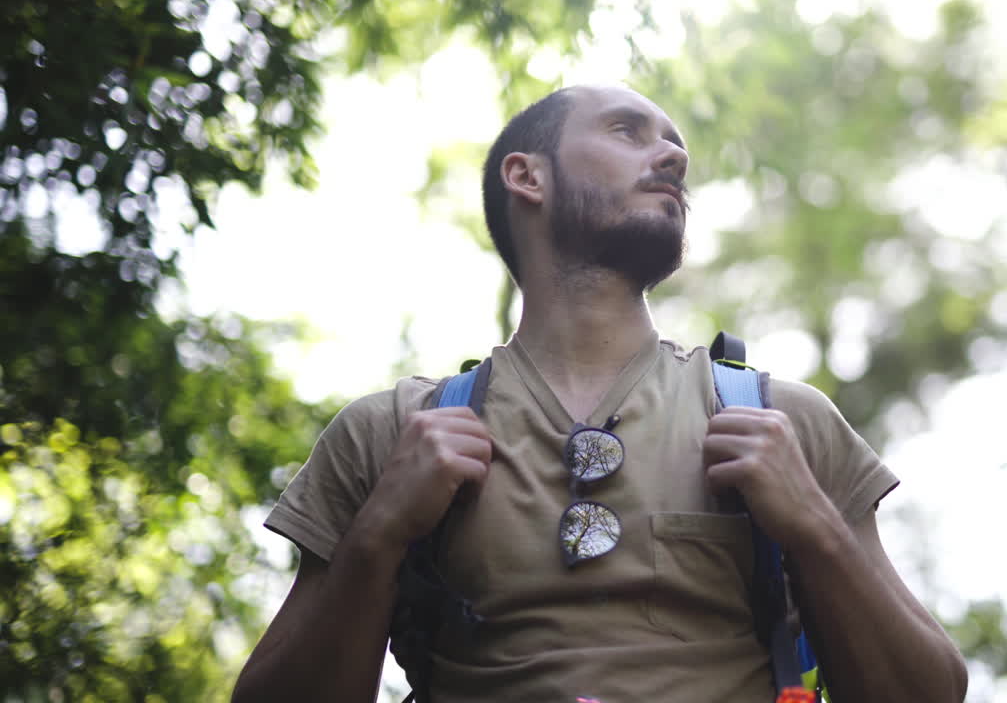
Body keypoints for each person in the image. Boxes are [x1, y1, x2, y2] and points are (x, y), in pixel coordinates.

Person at [230, 85, 968, 703]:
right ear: (528, 176)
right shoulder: (390, 433)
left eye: (675, 143)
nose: (675, 156)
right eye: (626, 131)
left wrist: (814, 525)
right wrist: (377, 535)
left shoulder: (782, 421)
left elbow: (928, 694)